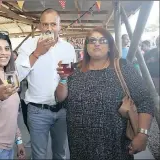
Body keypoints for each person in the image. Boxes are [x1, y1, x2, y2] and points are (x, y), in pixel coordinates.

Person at [55, 27, 154, 160]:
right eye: (92, 40)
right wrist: (63, 79)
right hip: (80, 145)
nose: (97, 43)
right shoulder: (74, 69)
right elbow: (60, 99)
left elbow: (145, 100)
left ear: (109, 46)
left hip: (115, 145)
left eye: (102, 40)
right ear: (86, 46)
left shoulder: (123, 67)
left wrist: (142, 135)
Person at [15, 8, 76, 159]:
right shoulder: (29, 45)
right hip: (37, 111)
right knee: (39, 155)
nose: (49, 28)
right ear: (40, 26)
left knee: (60, 153)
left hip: (63, 110)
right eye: (45, 24)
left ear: (59, 26)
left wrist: (65, 77)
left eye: (53, 24)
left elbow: (72, 77)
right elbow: (17, 75)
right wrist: (37, 53)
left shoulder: (68, 48)